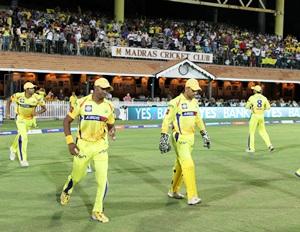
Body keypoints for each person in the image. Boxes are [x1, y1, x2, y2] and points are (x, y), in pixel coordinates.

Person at [60, 77, 116, 223]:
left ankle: (97, 211)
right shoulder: (81, 102)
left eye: (107, 90)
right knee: (77, 175)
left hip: (101, 146)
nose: (105, 92)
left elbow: (110, 123)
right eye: (103, 89)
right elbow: (66, 121)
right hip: (83, 145)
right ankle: (67, 190)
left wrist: (112, 131)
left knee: (102, 180)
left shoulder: (109, 106)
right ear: (95, 88)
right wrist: (70, 143)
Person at [159, 78, 211, 205]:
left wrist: (204, 134)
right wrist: (164, 137)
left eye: (197, 91)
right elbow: (167, 120)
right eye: (193, 91)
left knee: (180, 165)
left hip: (191, 138)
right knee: (188, 164)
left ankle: (173, 191)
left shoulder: (195, 102)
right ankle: (192, 196)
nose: (195, 93)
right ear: (187, 89)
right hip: (180, 138)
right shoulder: (175, 102)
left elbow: (198, 119)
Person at [5, 82, 47, 167]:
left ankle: (13, 148)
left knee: (20, 135)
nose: (33, 89)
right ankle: (23, 159)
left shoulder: (37, 97)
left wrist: (36, 113)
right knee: (24, 137)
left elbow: (44, 108)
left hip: (29, 120)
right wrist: (8, 114)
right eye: (31, 88)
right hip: (20, 118)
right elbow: (9, 100)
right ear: (26, 89)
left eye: (33, 88)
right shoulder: (18, 95)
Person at [245, 85, 274, 153]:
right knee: (263, 131)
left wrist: (251, 107)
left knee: (252, 132)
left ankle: (252, 149)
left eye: (253, 90)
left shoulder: (252, 97)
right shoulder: (264, 98)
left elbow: (246, 106)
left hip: (254, 116)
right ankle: (270, 145)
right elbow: (268, 107)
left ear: (255, 91)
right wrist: (262, 108)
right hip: (261, 116)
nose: (253, 91)